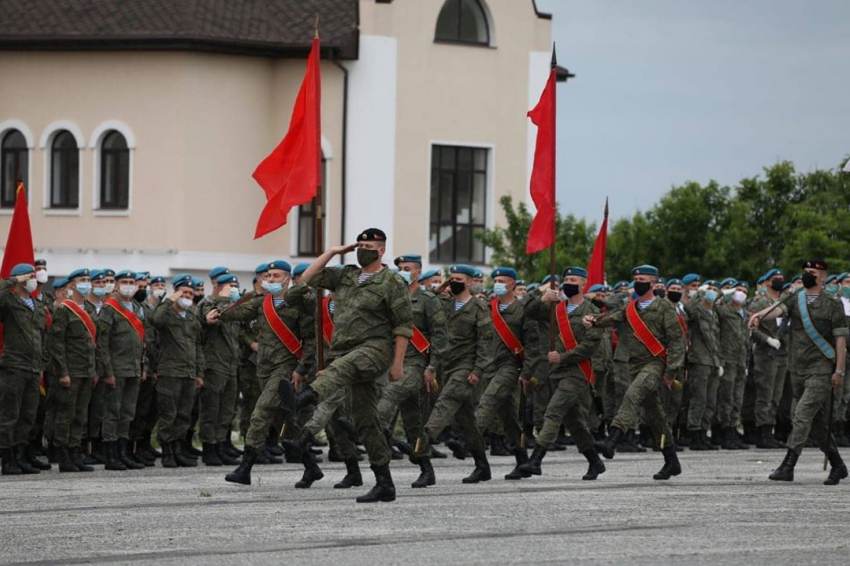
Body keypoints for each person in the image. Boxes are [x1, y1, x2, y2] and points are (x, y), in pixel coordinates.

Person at [284, 229, 413, 503]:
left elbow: (403, 325)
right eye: (360, 245)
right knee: (366, 421)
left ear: (381, 250)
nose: (362, 249)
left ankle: (304, 397)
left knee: (342, 368)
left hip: (376, 349)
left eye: (368, 246)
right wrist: (332, 252)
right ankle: (384, 483)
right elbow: (306, 279)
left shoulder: (392, 281)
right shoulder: (346, 275)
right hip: (345, 351)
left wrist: (398, 364)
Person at [750, 260, 848, 485]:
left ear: (822, 277)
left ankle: (788, 465)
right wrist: (757, 317)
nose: (807, 275)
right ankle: (838, 465)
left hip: (820, 368)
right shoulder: (796, 297)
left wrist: (839, 371)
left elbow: (840, 339)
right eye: (805, 272)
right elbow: (777, 310)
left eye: (812, 273)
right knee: (816, 423)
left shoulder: (832, 303)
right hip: (797, 368)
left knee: (802, 414)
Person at [220, 260, 315, 485]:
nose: (271, 280)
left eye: (277, 276)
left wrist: (301, 370)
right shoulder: (261, 302)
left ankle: (245, 468)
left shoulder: (299, 305)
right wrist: (223, 302)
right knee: (284, 420)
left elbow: (311, 340)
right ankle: (311, 466)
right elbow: (232, 314)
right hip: (263, 368)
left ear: (288, 279)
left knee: (260, 412)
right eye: (268, 276)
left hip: (285, 369)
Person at [587, 265, 686, 480]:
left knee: (632, 394)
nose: (637, 282)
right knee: (654, 415)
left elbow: (677, 341)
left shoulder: (664, 308)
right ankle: (671, 461)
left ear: (652, 283)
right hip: (635, 365)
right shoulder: (631, 308)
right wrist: (594, 320)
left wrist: (671, 371)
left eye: (641, 279)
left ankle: (612, 440)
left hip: (655, 363)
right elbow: (612, 317)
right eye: (636, 279)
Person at [520, 267, 604, 480]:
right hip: (556, 372)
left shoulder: (592, 311)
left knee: (553, 411)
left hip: (577, 372)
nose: (568, 282)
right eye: (566, 279)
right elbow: (526, 311)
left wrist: (563, 357)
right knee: (574, 422)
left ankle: (536, 460)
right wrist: (540, 297)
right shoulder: (556, 308)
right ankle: (595, 461)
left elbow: (590, 346)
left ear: (583, 284)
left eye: (572, 279)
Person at [376, 254, 447, 489]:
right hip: (393, 362)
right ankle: (426, 469)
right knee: (413, 421)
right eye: (399, 268)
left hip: (416, 365)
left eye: (406, 268)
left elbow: (439, 335)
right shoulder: (391, 298)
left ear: (418, 272)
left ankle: (376, 433)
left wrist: (432, 367)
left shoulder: (427, 300)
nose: (402, 271)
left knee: (389, 397)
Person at [422, 264, 493, 484]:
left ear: (470, 282)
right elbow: (425, 300)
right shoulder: (445, 303)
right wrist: (442, 286)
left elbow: (486, 342)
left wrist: (478, 370)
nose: (454, 281)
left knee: (445, 401)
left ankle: (423, 441)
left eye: (458, 279)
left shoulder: (479, 307)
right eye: (451, 278)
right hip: (447, 366)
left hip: (466, 367)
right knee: (466, 421)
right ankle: (482, 467)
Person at [475, 267, 540, 480]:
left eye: (502, 280)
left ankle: (470, 441)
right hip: (489, 367)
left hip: (510, 367)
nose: (497, 284)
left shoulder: (523, 311)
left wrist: (526, 373)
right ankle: (523, 462)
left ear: (512, 284)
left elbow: (533, 346)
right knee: (509, 418)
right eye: (495, 280)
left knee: (487, 403)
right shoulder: (487, 308)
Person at [151, 275, 205, 468]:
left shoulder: (191, 316)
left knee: (184, 414)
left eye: (190, 293)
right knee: (168, 413)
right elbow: (155, 320)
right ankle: (167, 452)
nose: (188, 296)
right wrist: (169, 300)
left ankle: (178, 450)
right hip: (170, 372)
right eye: (184, 293)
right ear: (176, 292)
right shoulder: (166, 313)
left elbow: (197, 346)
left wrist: (199, 373)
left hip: (189, 373)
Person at [0, 264, 50, 475]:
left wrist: (42, 365)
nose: (33, 279)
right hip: (14, 365)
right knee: (9, 414)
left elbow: (42, 337)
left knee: (28, 415)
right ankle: (8, 459)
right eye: (29, 276)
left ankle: (20, 456)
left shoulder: (37, 305)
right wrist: (14, 280)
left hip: (33, 368)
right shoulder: (9, 302)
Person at [96, 270, 147, 470]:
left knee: (127, 413)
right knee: (112, 412)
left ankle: (123, 453)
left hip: (133, 369)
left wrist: (143, 367)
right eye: (124, 282)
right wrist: (107, 372)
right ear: (116, 285)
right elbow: (102, 343)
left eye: (131, 282)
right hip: (116, 369)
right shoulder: (109, 309)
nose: (128, 285)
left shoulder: (136, 308)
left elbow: (143, 343)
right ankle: (111, 455)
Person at [49, 268, 98, 472]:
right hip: (71, 371)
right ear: (72, 285)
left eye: (88, 279)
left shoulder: (89, 309)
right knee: (65, 414)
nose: (86, 283)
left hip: (86, 371)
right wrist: (63, 372)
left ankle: (75, 451)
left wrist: (94, 370)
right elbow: (56, 342)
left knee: (80, 415)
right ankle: (63, 455)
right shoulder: (64, 309)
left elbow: (93, 344)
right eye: (82, 280)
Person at [198, 270, 241, 466]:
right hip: (214, 365)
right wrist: (223, 300)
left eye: (234, 287)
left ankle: (221, 445)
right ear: (217, 287)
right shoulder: (207, 304)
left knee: (226, 410)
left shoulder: (232, 306)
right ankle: (209, 448)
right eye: (229, 287)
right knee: (211, 410)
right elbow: (211, 320)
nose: (233, 290)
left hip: (231, 364)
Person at [748, 268, 787, 449]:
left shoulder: (783, 302)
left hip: (782, 353)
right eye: (775, 279)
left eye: (781, 278)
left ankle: (769, 431)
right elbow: (751, 327)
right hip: (765, 353)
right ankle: (761, 433)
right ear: (767, 282)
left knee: (776, 396)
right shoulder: (760, 302)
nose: (779, 281)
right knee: (765, 393)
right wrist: (768, 340)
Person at [682, 284, 722, 450]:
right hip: (699, 360)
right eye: (709, 289)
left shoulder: (715, 313)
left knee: (711, 401)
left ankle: (704, 432)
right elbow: (687, 309)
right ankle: (694, 433)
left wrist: (720, 361)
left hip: (713, 360)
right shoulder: (697, 311)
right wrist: (699, 294)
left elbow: (717, 339)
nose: (712, 291)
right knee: (699, 399)